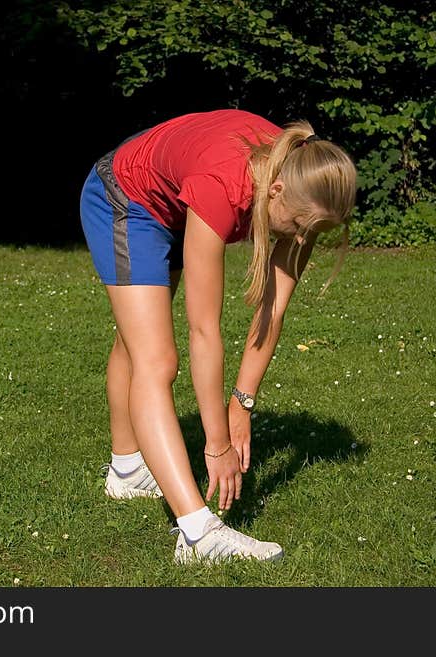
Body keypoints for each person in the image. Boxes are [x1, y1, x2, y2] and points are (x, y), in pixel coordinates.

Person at [80, 108, 357, 564]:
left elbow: (273, 307)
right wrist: (218, 443)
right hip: (125, 196)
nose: (303, 240)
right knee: (156, 358)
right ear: (275, 191)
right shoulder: (223, 188)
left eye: (316, 233)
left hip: (170, 198)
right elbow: (205, 330)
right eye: (300, 229)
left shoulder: (302, 187)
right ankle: (196, 535)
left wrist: (241, 404)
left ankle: (127, 469)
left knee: (137, 341)